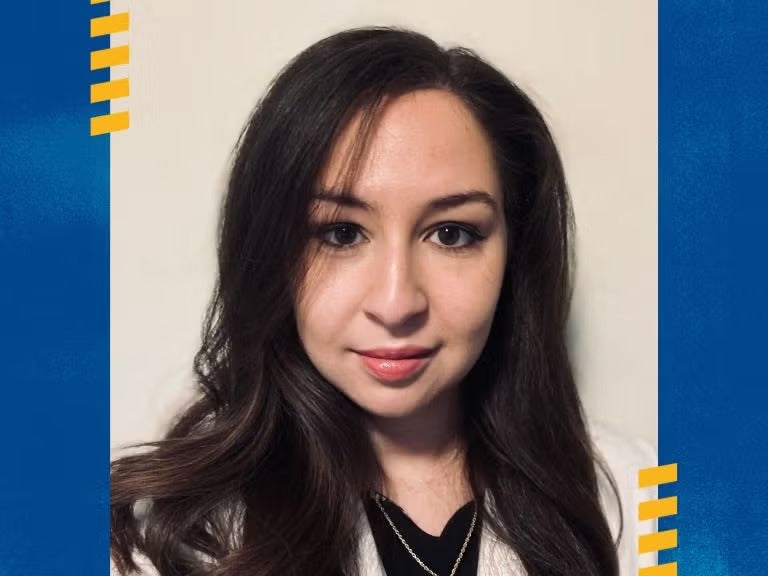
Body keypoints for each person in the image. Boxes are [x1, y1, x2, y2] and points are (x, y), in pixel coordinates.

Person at [110, 27, 655, 576]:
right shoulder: (158, 536)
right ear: (271, 251)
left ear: (515, 252)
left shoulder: (647, 501)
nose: (396, 304)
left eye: (451, 234)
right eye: (341, 234)